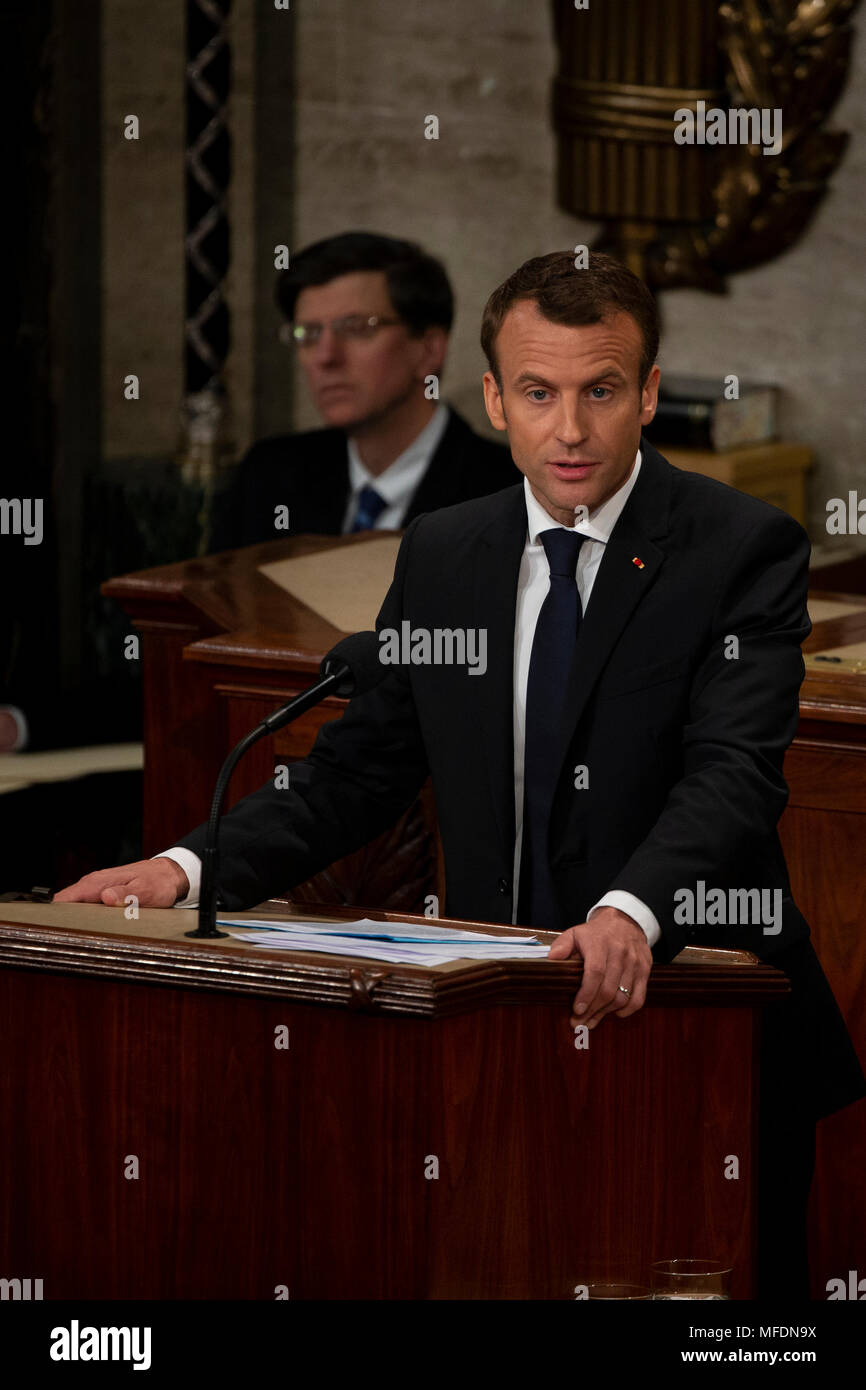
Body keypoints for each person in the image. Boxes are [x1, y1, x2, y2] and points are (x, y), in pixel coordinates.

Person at [58, 249, 866, 1299]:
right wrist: (184, 868)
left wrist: (630, 909)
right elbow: (356, 775)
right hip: (497, 1038)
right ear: (492, 398)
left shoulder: (738, 547)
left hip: (696, 1033)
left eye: (599, 391)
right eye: (538, 392)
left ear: (649, 393)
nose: (568, 429)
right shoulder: (446, 552)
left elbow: (732, 776)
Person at [209, 231, 518, 549]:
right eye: (309, 333)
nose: (326, 356)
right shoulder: (269, 475)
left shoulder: (509, 492)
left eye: (357, 328)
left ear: (428, 350)